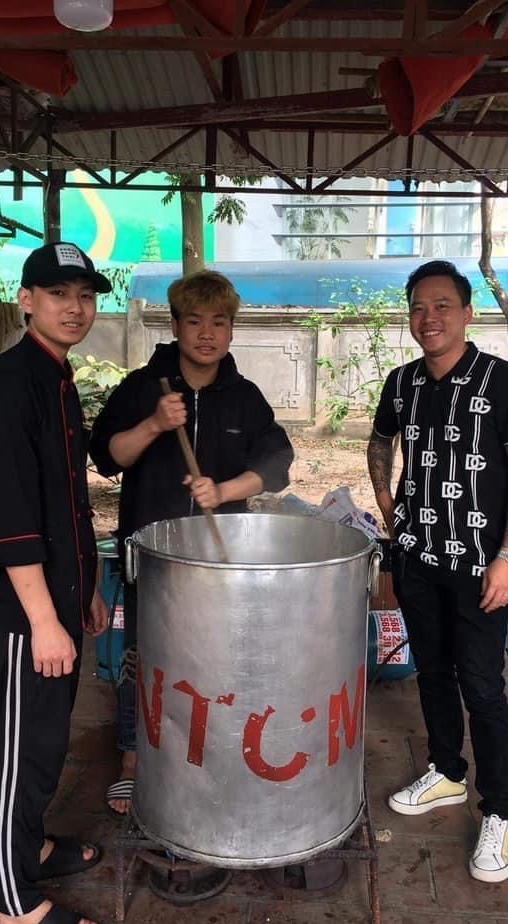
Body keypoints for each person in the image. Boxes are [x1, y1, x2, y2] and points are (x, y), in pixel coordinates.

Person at [0, 242, 110, 924]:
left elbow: (67, 503)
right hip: (26, 611)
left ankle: (33, 845)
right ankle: (14, 907)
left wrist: (87, 592)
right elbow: (10, 516)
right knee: (21, 750)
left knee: (46, 737)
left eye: (85, 295)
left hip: (58, 601)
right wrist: (46, 621)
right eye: (57, 294)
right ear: (26, 301)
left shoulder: (56, 378)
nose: (74, 308)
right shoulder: (6, 386)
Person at [89, 269, 294, 815]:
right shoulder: (142, 388)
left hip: (219, 560)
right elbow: (107, 456)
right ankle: (133, 756)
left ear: (232, 330)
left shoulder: (244, 398)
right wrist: (154, 425)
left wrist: (225, 489)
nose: (207, 334)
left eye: (219, 323)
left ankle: (207, 750)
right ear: (176, 326)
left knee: (216, 657)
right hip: (151, 558)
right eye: (195, 321)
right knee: (143, 655)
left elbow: (278, 461)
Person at [367, 259, 508, 884]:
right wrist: (388, 505)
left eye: (442, 305)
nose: (429, 317)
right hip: (417, 557)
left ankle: (499, 811)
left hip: (479, 567)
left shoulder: (503, 381)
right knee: (434, 672)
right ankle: (446, 771)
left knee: (483, 686)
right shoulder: (402, 382)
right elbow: (380, 441)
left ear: (467, 313)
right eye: (418, 307)